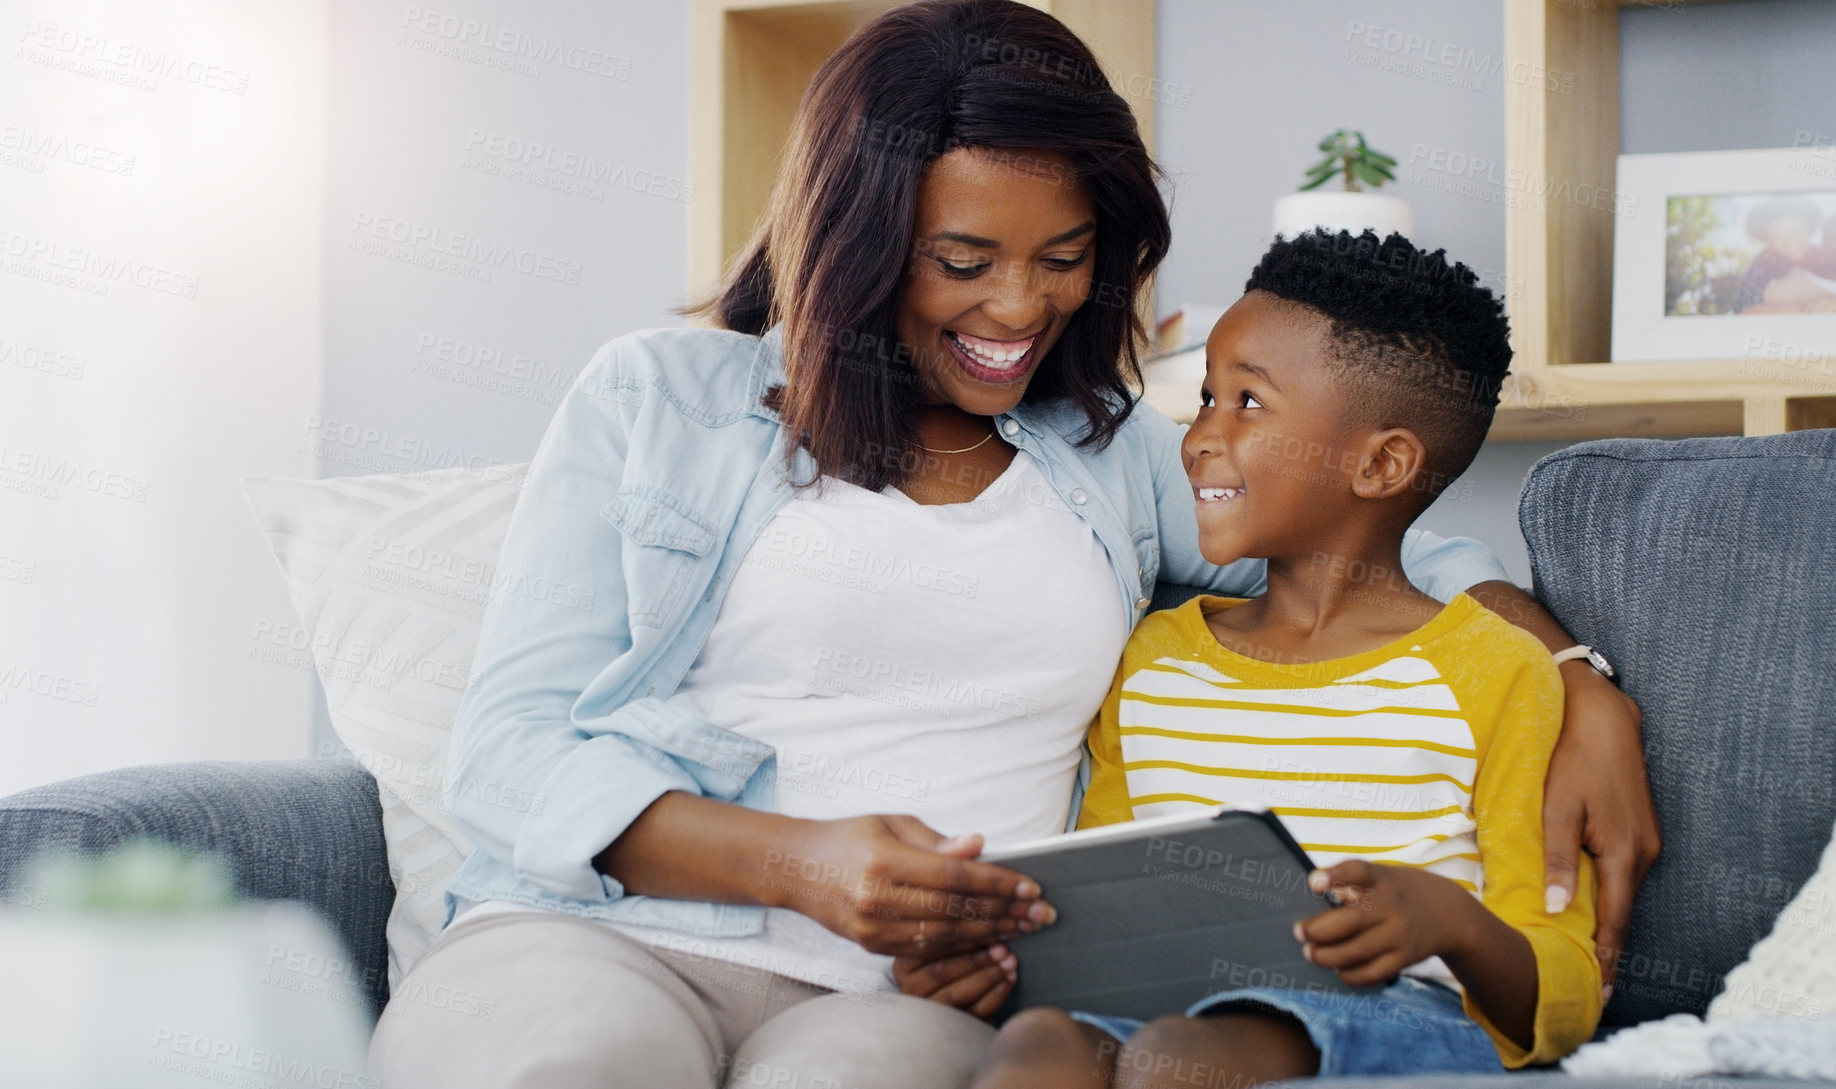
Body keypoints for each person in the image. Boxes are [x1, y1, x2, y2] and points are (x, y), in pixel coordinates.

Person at [367, 3, 1656, 1086]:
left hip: (911, 995)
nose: (1020, 307)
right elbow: (510, 750)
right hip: (606, 932)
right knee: (575, 1065)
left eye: (1065, 258)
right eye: (964, 259)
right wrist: (801, 864)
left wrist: (1574, 677)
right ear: (858, 241)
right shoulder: (663, 398)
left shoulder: (1108, 451)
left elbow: (1375, 545)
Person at [942, 229, 1600, 1087]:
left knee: (1180, 1059)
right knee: (1038, 1046)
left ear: (1382, 463)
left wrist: (1451, 922)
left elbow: (1568, 994)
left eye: (1248, 403)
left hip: (1402, 1013)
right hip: (1161, 1006)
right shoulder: (1155, 659)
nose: (1199, 437)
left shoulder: (1496, 672)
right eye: (1206, 396)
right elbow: (1099, 893)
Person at [1732, 195, 1836, 314]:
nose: (1789, 240)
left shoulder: (1825, 255)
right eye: (1777, 235)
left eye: (1795, 230)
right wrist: (1807, 308)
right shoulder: (1763, 263)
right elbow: (1742, 312)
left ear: (1809, 229)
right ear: (1768, 239)